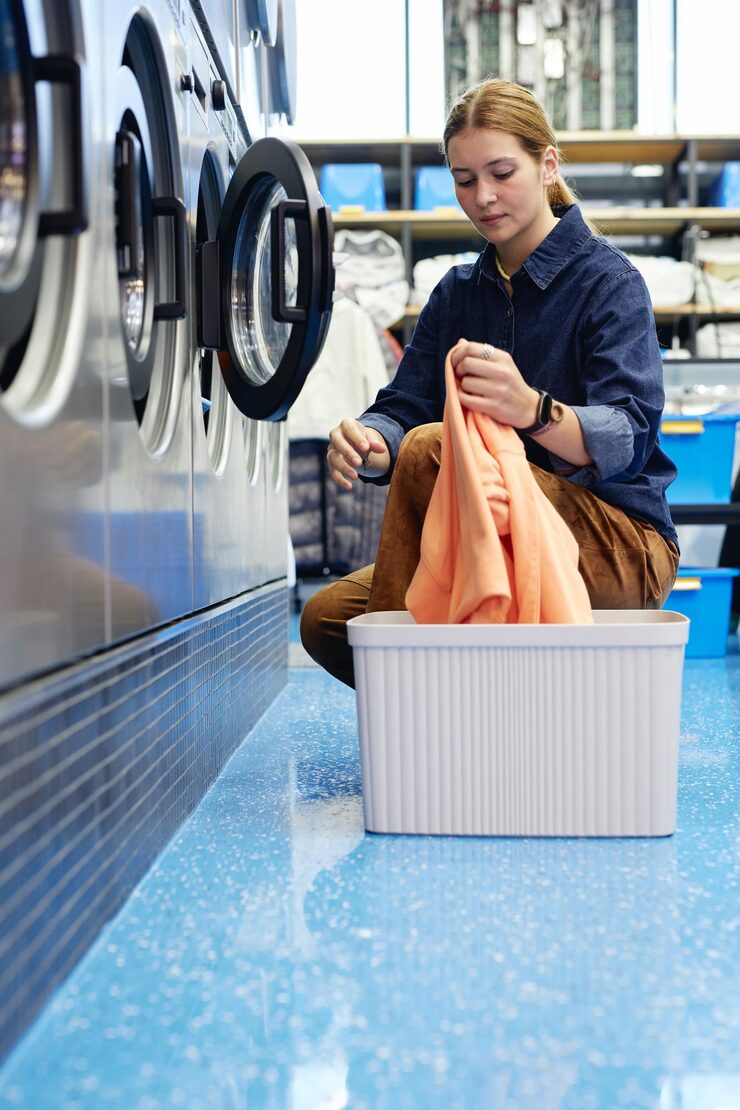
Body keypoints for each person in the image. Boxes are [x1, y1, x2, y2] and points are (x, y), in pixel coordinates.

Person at [301, 77, 680, 688]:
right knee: (326, 618)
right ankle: (489, 708)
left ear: (547, 165)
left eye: (502, 172)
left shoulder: (609, 283)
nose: (483, 197)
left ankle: (413, 712)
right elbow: (403, 408)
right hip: (489, 539)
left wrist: (534, 410)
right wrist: (372, 441)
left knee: (435, 449)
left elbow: (630, 436)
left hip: (618, 543)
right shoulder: (456, 293)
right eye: (464, 179)